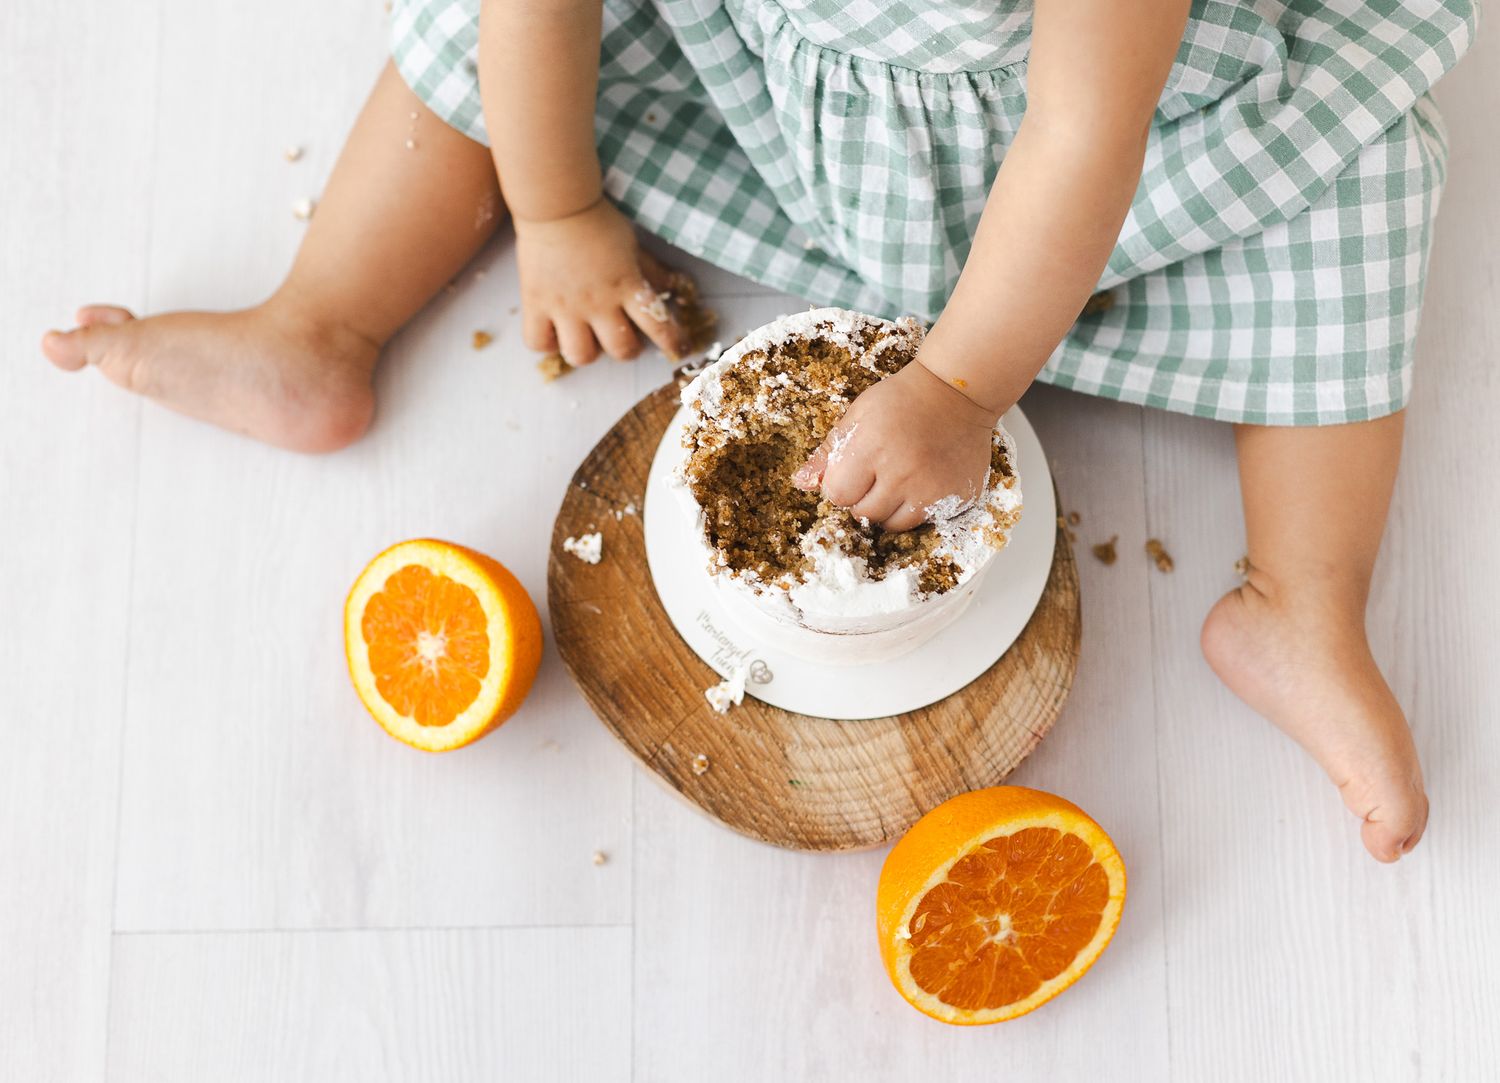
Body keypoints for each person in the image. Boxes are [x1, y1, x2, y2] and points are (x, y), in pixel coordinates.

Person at [40, 0, 1476, 861]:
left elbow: (1085, 133)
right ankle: (322, 326)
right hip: (788, 102)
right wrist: (556, 210)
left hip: (1115, 172)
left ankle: (1302, 601)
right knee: (461, 43)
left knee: (1361, 180)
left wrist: (961, 389)